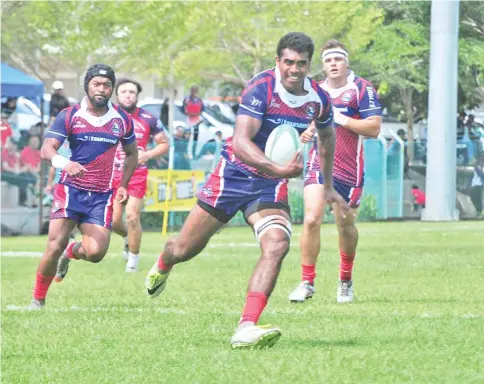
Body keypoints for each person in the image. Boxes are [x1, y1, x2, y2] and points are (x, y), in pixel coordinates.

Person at [145, 32, 349, 349]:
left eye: (301, 64)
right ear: (278, 61)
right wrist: (279, 169)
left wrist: (329, 184)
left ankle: (246, 326)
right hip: (232, 177)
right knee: (184, 250)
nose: (294, 69)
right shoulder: (262, 88)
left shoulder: (318, 99)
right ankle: (164, 262)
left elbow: (328, 137)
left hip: (268, 187)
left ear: (310, 65)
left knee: (278, 243)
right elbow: (240, 143)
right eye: (288, 62)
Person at [27, 64, 139, 310]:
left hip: (101, 196)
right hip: (70, 191)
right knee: (53, 245)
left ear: (112, 88)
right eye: (96, 84)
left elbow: (132, 154)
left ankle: (71, 252)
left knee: (96, 253)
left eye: (107, 85)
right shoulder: (69, 114)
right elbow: (47, 149)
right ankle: (38, 300)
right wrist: (64, 163)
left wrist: (123, 184)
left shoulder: (122, 119)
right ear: (87, 85)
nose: (101, 89)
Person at [288, 39, 382, 304]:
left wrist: (341, 119)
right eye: (328, 60)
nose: (333, 64)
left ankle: (345, 280)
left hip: (350, 171)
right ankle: (307, 282)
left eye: (337, 59)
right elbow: (309, 120)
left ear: (346, 62)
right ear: (323, 65)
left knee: (345, 225)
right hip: (320, 165)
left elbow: (374, 128)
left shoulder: (361, 88)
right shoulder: (315, 91)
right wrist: (309, 129)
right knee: (311, 218)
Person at [111, 79, 170, 272]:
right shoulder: (107, 116)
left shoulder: (148, 118)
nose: (128, 95)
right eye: (124, 92)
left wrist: (147, 155)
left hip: (136, 173)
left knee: (132, 216)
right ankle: (129, 239)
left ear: (137, 96)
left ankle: (132, 263)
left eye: (132, 92)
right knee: (113, 221)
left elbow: (164, 144)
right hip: (111, 173)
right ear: (116, 95)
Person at [183, 85, 204, 157]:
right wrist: (189, 113)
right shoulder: (187, 99)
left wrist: (198, 114)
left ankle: (193, 153)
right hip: (189, 120)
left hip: (196, 121)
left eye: (195, 91)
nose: (194, 92)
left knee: (195, 137)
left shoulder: (199, 100)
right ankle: (185, 152)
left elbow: (202, 110)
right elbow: (184, 109)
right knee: (187, 137)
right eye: (193, 91)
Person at [470, 152, 484, 218]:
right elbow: (481, 174)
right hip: (477, 185)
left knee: (480, 200)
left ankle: (480, 213)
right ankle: (478, 213)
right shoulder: (477, 166)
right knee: (477, 200)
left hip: (480, 185)